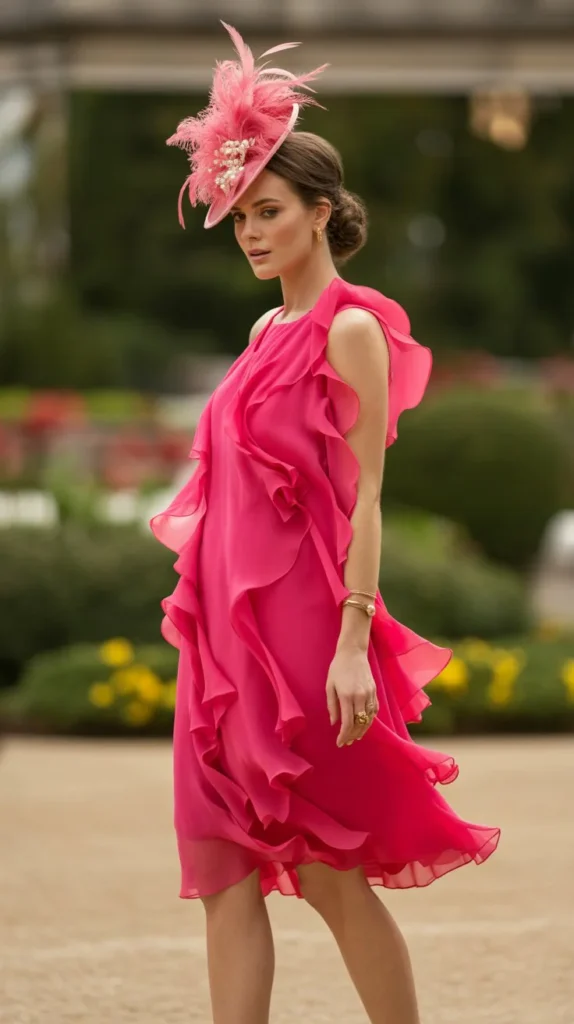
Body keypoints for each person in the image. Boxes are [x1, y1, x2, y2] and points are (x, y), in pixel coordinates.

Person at [151, 21, 500, 1024]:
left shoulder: (351, 330)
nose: (250, 232)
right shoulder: (263, 327)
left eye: (268, 212)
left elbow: (368, 496)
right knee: (222, 871)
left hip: (306, 634)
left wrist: (353, 642)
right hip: (220, 637)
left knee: (329, 872)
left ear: (320, 212)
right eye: (240, 215)